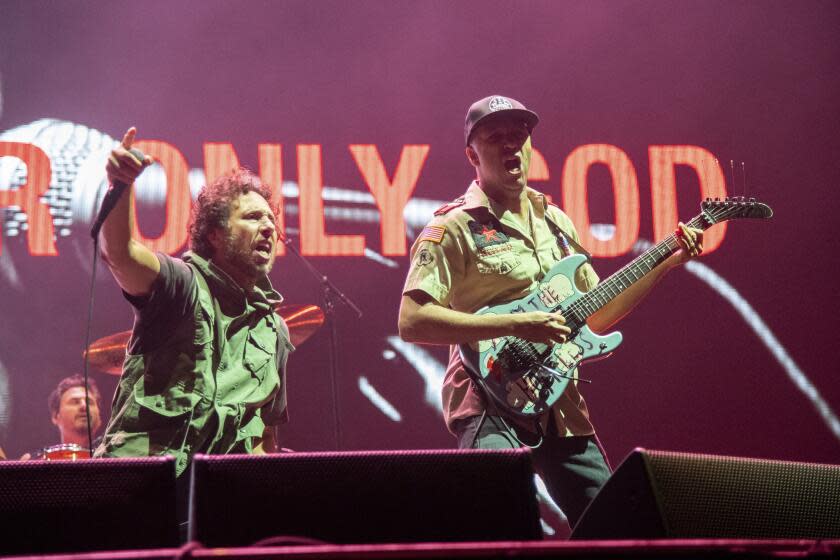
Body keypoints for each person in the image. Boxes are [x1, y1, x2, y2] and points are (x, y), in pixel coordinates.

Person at [398, 95, 703, 530]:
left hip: (560, 403)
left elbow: (595, 316)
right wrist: (515, 323)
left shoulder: (557, 221)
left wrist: (665, 263)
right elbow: (412, 320)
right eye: (496, 137)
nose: (511, 146)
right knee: (503, 532)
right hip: (490, 402)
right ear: (472, 154)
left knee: (616, 530)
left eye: (519, 136)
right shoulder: (452, 228)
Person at [93, 127, 293, 479]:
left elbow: (265, 433)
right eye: (251, 217)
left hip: (224, 497)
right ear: (214, 234)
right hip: (144, 485)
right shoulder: (181, 283)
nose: (268, 228)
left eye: (271, 220)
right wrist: (120, 186)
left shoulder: (274, 329)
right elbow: (120, 255)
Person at [19, 374, 102, 460]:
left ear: (100, 418)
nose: (84, 406)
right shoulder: (34, 461)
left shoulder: (114, 455)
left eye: (90, 402)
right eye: (75, 402)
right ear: (56, 416)